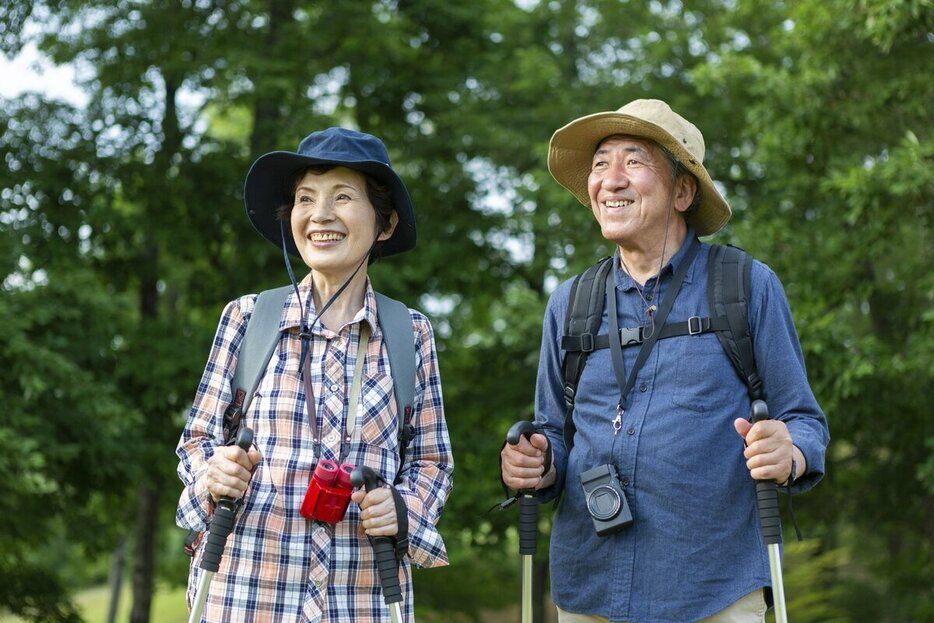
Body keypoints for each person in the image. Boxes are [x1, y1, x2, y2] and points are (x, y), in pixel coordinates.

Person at [500, 99, 829, 623]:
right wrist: (535, 463)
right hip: (589, 587)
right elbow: (554, 435)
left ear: (682, 191)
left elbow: (805, 423)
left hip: (714, 588)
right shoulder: (571, 302)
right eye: (600, 163)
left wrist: (789, 453)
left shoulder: (744, 285)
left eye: (634, 161)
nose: (610, 179)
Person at [176, 127, 453, 622]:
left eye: (342, 197)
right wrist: (212, 475)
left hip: (364, 599)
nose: (320, 215)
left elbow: (432, 461)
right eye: (306, 199)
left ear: (385, 224)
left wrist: (403, 509)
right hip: (245, 595)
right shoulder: (247, 319)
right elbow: (197, 441)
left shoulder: (410, 333)